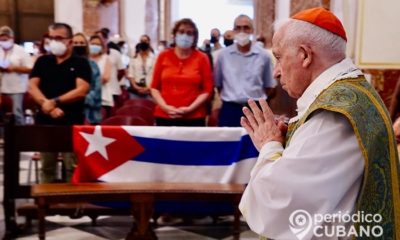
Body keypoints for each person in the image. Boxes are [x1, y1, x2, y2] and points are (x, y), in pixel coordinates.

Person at [238, 7, 400, 239]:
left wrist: (269, 145)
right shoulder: (352, 94)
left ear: (305, 55)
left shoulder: (333, 114)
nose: (276, 72)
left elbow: (280, 201)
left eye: (279, 57)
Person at [28, 22, 91, 183]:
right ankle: (46, 204)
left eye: (59, 38)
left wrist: (55, 102)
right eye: (51, 37)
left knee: (72, 166)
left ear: (70, 41)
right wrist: (47, 106)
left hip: (71, 121)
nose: (54, 41)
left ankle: (72, 205)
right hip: (45, 121)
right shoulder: (43, 61)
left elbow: (81, 90)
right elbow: (32, 86)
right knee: (47, 167)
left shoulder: (81, 63)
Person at [214, 14, 277, 127]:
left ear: (252, 30)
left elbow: (270, 87)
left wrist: (255, 99)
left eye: (246, 27)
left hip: (256, 109)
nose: (242, 31)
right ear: (233, 31)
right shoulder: (223, 55)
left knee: (257, 143)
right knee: (229, 143)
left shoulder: (263, 56)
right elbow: (218, 85)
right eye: (238, 28)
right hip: (230, 110)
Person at [150, 18, 213, 126]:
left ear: (194, 38)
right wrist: (165, 107)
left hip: (194, 116)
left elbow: (207, 89)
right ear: (175, 35)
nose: (185, 35)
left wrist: (190, 109)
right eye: (181, 31)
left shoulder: (202, 58)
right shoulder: (163, 56)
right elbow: (154, 87)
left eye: (189, 33)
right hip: (165, 115)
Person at [0, 25, 33, 125]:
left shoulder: (21, 51)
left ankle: (20, 136)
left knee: (17, 114)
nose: (3, 42)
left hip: (17, 89)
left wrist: (14, 68)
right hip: (1, 87)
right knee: (2, 115)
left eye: (5, 39)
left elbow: (30, 69)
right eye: (1, 39)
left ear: (12, 39)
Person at [72, 32, 102, 125]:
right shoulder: (66, 65)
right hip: (68, 111)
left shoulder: (93, 65)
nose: (78, 45)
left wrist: (82, 99)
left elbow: (97, 89)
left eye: (81, 43)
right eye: (75, 43)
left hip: (90, 112)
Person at [88, 34, 113, 119]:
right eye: (93, 44)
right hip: (87, 97)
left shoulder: (106, 59)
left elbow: (106, 78)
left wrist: (88, 81)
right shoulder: (85, 59)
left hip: (103, 97)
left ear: (102, 46)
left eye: (98, 44)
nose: (95, 46)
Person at [127, 34, 156, 99]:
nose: (143, 42)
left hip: (150, 91)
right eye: (142, 41)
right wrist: (135, 86)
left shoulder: (155, 58)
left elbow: (156, 75)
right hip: (136, 91)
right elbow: (131, 74)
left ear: (149, 42)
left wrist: (148, 88)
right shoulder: (134, 58)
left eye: (145, 40)